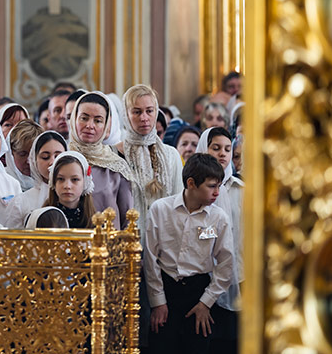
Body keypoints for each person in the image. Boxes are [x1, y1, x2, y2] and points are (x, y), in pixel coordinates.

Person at [145, 153, 234, 353]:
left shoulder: (218, 218)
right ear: (191, 183)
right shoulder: (160, 209)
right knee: (161, 346)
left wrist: (206, 303)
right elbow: (150, 259)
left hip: (199, 292)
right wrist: (158, 302)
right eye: (212, 186)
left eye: (219, 186)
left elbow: (226, 264)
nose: (217, 193)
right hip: (166, 288)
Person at [196, 127, 244, 353]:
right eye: (216, 148)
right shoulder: (191, 192)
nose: (223, 154)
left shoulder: (240, 190)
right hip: (203, 279)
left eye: (227, 149)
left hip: (239, 276)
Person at [68, 91, 135, 230]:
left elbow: (127, 219)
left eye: (98, 121)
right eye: (84, 118)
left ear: (106, 125)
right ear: (74, 119)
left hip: (108, 247)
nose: (90, 125)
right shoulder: (62, 159)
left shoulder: (116, 166)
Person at [118, 84, 184, 225]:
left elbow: (179, 200)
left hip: (165, 235)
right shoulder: (115, 153)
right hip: (128, 236)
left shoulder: (171, 155)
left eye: (149, 111)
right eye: (137, 112)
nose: (144, 118)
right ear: (126, 115)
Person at [4, 130, 67, 228]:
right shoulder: (20, 202)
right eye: (45, 157)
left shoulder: (75, 196)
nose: (52, 162)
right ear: (34, 161)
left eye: (58, 156)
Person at [43, 151, 95, 229]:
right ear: (54, 182)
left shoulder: (95, 221)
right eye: (61, 179)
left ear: (85, 182)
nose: (67, 186)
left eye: (75, 179)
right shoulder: (44, 217)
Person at [3, 119, 42, 192]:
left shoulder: (50, 184)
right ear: (11, 153)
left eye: (33, 154)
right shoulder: (2, 183)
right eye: (22, 154)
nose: (29, 161)